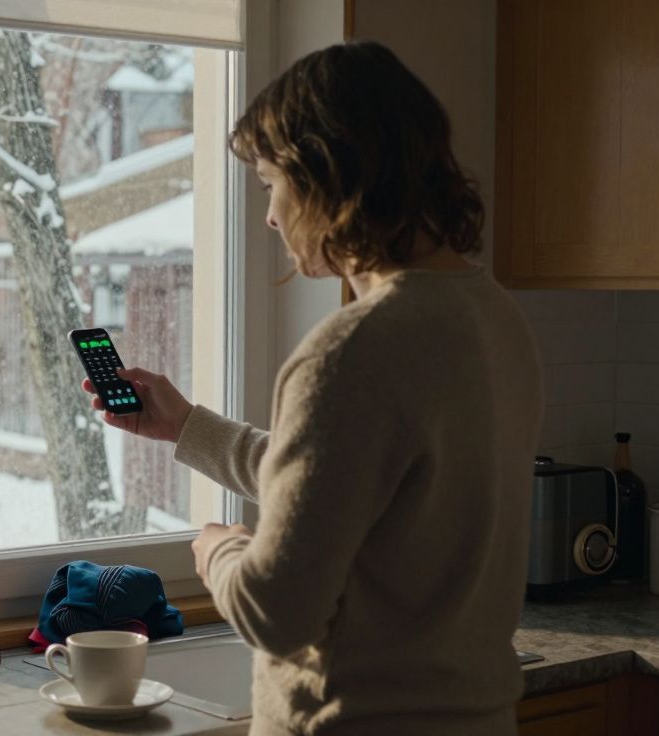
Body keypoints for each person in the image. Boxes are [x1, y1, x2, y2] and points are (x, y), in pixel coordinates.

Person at [83, 42, 543, 735]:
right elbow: (352, 479)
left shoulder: (352, 348)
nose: (270, 215)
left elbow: (277, 612)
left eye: (271, 182)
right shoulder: (496, 316)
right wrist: (188, 428)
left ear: (326, 175)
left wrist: (219, 550)